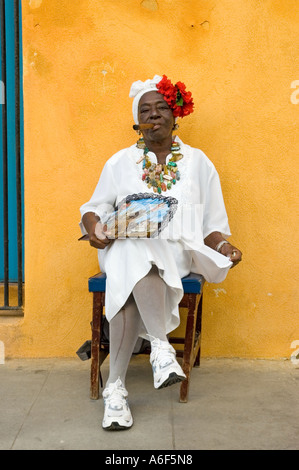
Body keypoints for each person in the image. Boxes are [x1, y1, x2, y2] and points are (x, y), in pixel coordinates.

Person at [79, 75, 242, 431]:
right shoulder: (119, 162)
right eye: (145, 110)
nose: (154, 115)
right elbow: (93, 209)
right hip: (121, 248)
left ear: (175, 114)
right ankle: (161, 349)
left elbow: (212, 225)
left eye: (161, 107)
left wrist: (224, 246)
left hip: (176, 252)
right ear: (136, 121)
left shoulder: (199, 163)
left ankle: (116, 389)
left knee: (133, 260)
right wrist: (95, 230)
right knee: (133, 245)